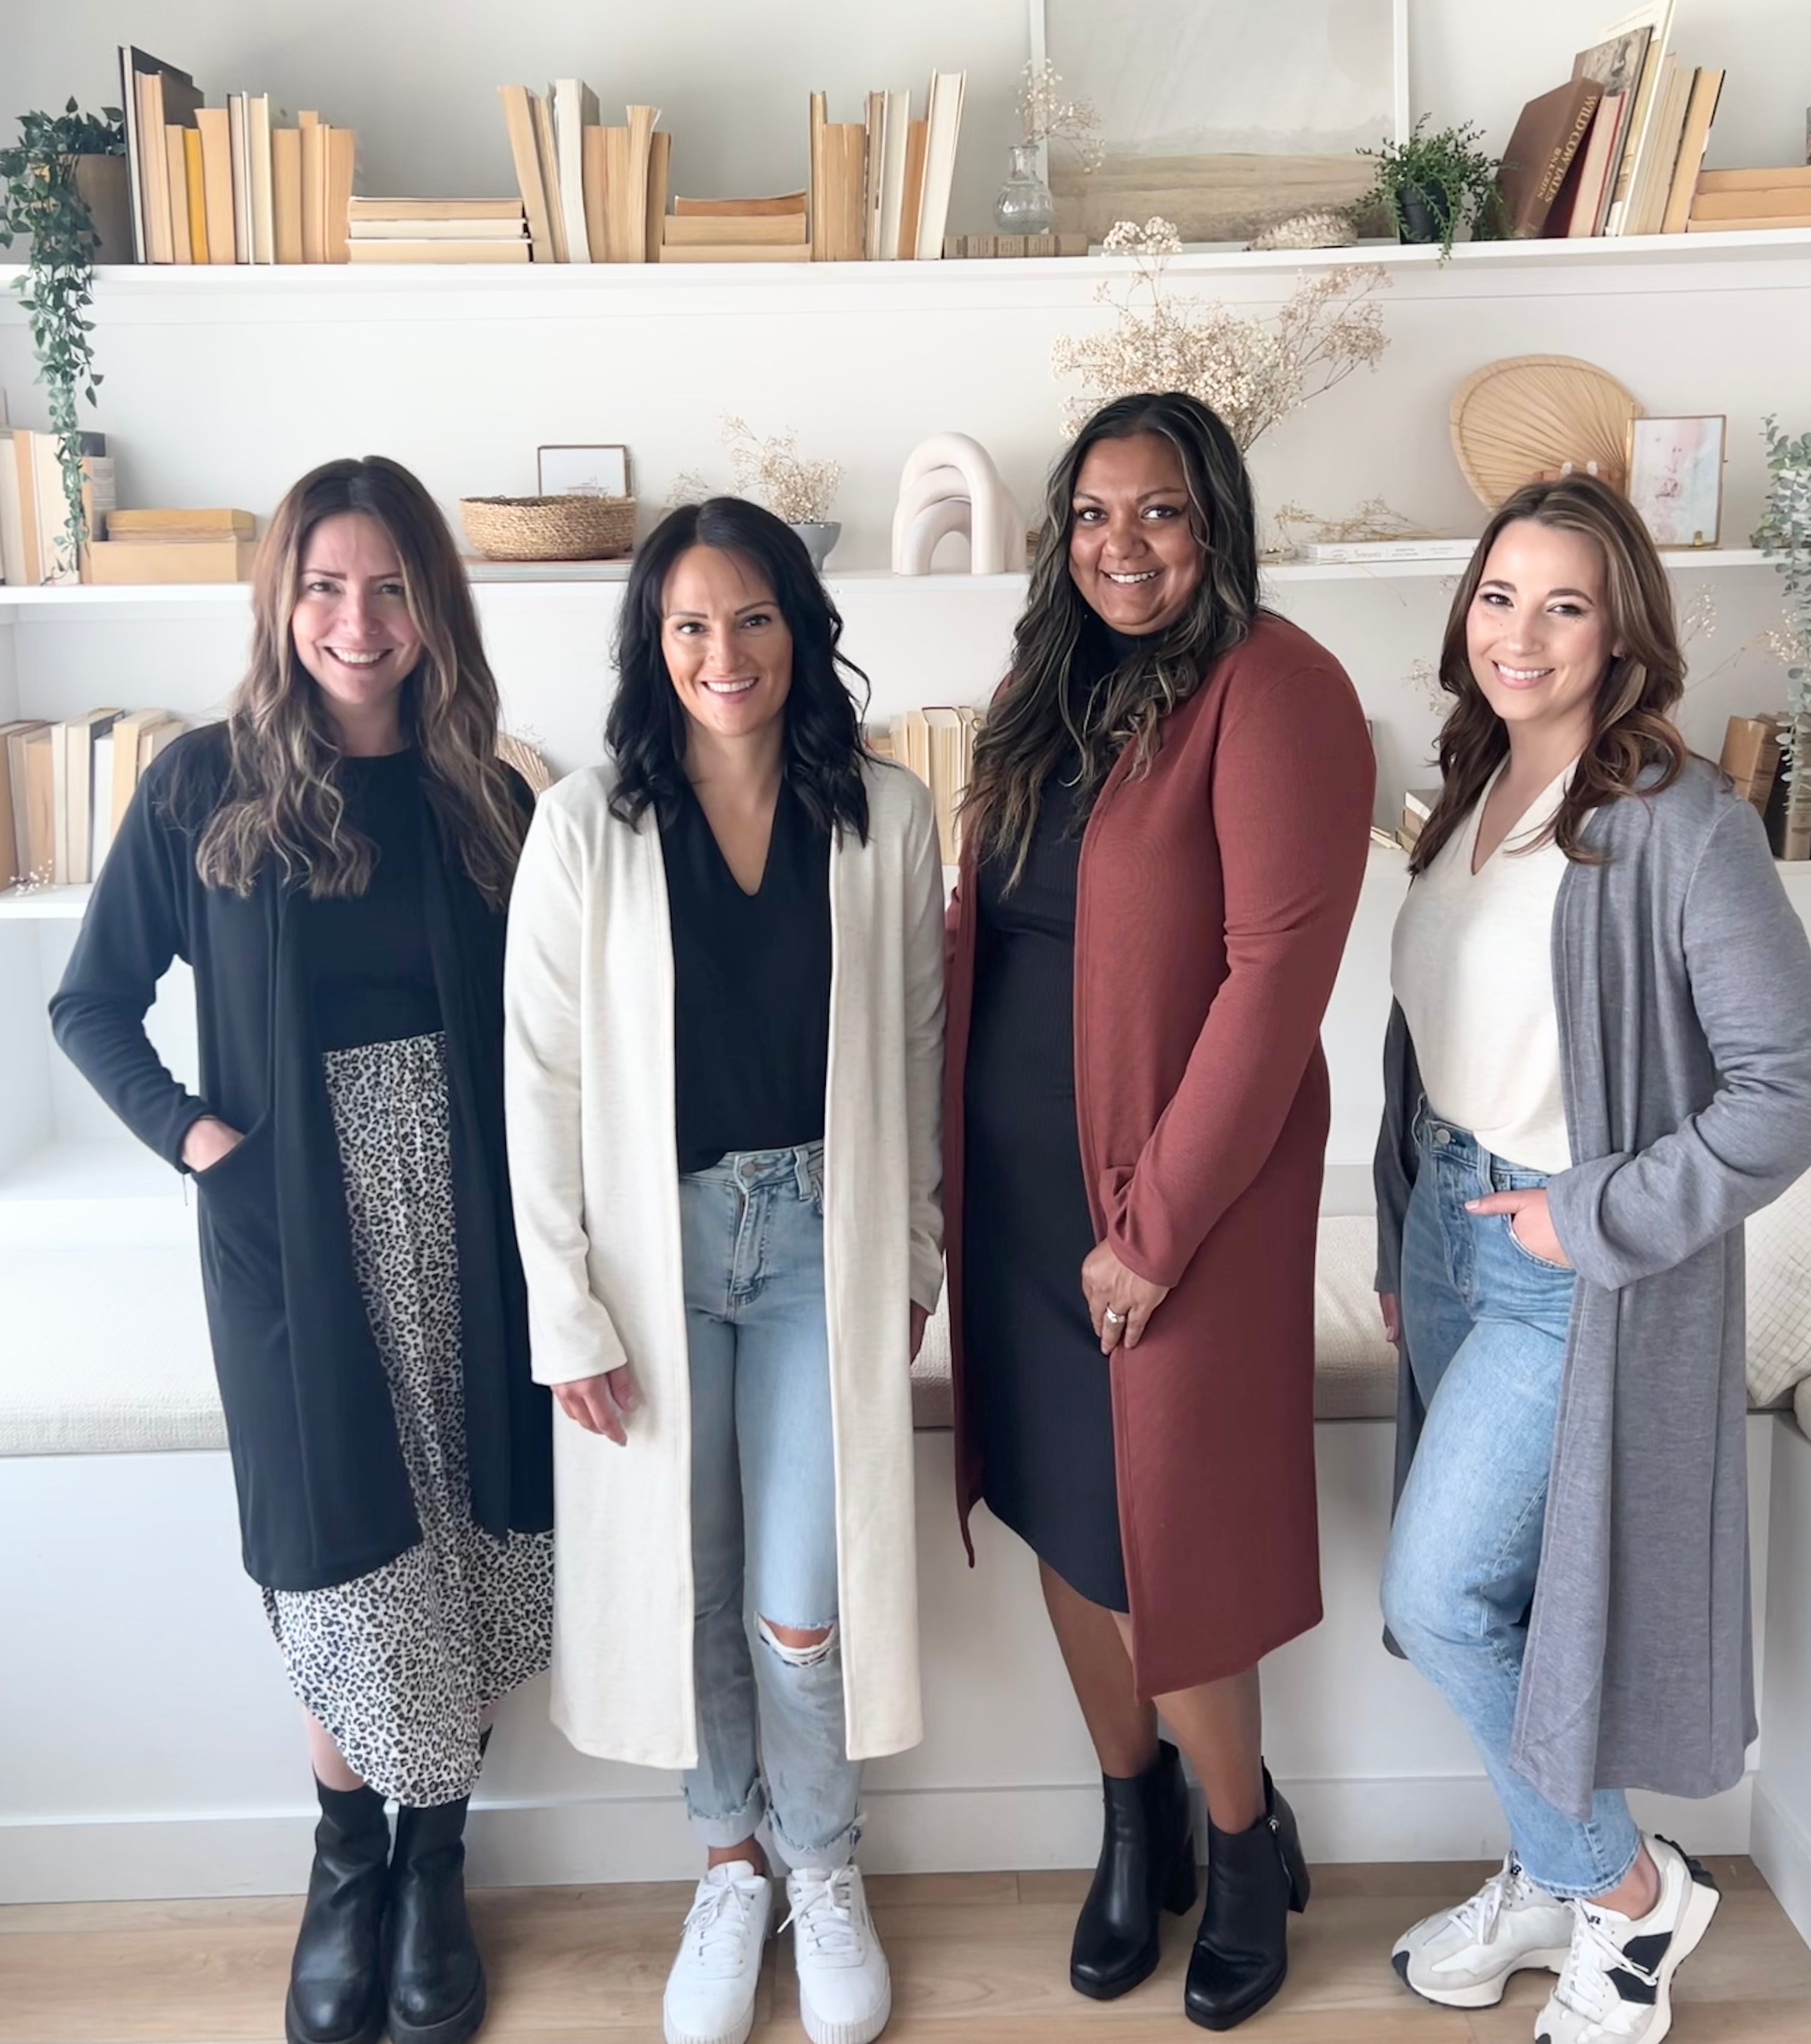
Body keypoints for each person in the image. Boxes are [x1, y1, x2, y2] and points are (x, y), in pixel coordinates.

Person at [51, 458, 550, 2044]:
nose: (358, 619)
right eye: (327, 586)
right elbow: (90, 1003)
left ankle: (437, 1862)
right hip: (294, 1233)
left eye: (390, 586)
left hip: (474, 1223)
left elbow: (555, 1024)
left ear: (431, 609)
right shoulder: (202, 785)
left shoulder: (493, 791)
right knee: (336, 1547)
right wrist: (205, 1143)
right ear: (283, 601)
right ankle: (350, 1863)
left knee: (473, 1538)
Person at [943, 392, 1374, 2031]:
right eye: (1095, 514)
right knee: (1071, 1522)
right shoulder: (1039, 696)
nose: (1123, 547)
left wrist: (1159, 1226)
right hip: (1018, 1206)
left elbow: (1275, 990)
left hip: (1171, 1213)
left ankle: (1249, 1848)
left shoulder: (1279, 691)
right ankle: (1141, 1823)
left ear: (1218, 527)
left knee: (1167, 1545)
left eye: (1162, 512)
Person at [1376, 475, 1811, 2044]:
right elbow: (1428, 1045)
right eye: (1501, 596)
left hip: (1576, 1265)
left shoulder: (1687, 828)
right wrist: (1400, 1227)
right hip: (1451, 1229)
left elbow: (1787, 1094)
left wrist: (1595, 1214)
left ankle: (1626, 1902)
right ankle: (1554, 1871)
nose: (1522, 632)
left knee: (1441, 1599)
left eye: (1565, 603)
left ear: (1624, 628)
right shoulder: (1471, 784)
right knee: (1522, 1600)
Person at [503, 496, 943, 2044]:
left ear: (799, 629)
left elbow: (911, 1046)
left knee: (799, 1601)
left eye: (751, 617)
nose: (722, 652)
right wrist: (565, 1308)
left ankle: (827, 1866)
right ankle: (730, 1860)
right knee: (690, 1587)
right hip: (654, 1253)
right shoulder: (584, 830)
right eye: (689, 624)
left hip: (822, 1234)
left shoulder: (888, 816)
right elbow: (539, 1079)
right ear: (653, 644)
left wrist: (915, 1254)